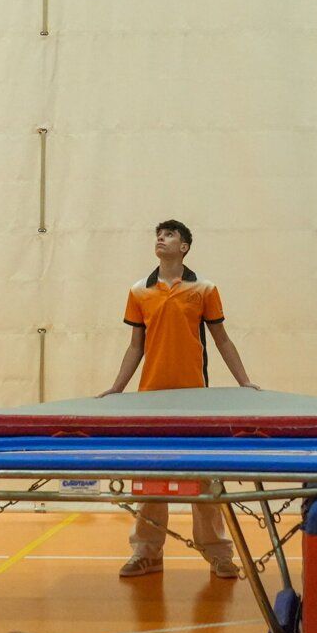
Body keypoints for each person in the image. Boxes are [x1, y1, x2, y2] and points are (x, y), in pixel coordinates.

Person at [101, 220, 260, 579]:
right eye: (158, 235)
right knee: (150, 478)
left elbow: (221, 339)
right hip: (150, 399)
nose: (160, 239)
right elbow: (135, 347)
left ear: (184, 247)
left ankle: (219, 554)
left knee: (204, 477)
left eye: (169, 235)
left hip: (194, 398)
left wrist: (245, 381)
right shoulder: (139, 290)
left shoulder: (204, 288)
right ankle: (146, 553)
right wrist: (116, 388)